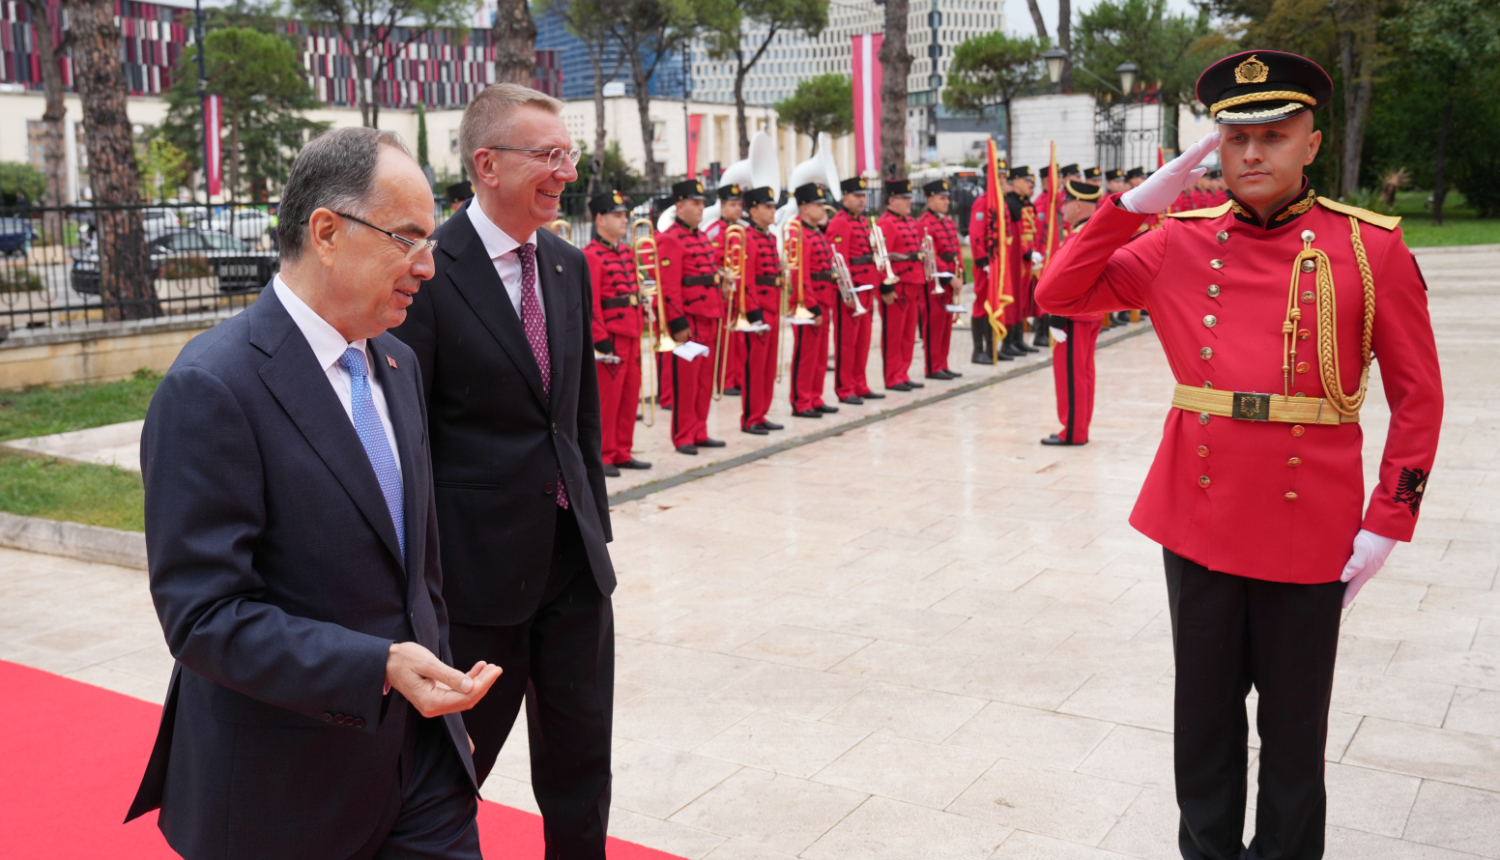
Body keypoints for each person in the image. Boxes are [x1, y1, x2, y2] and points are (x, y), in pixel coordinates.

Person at [1036, 50, 1442, 860]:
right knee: (1205, 723)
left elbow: (1418, 398)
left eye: (1274, 135)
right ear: (1212, 150)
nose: (1252, 154)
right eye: (1234, 139)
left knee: (1294, 733)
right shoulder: (1178, 242)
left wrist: (1390, 518)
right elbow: (1060, 294)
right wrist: (1135, 205)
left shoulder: (1369, 250)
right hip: (1200, 514)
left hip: (1312, 520)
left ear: (1311, 145)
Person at [126, 127, 503, 860]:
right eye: (408, 239)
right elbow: (204, 616)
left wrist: (433, 667)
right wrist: (374, 667)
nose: (428, 266)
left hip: (424, 770)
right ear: (326, 232)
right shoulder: (213, 387)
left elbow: (414, 568)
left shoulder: (396, 364)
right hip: (285, 791)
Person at [389, 83, 618, 860]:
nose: (567, 172)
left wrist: (596, 531)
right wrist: (418, 580)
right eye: (548, 156)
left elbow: (576, 415)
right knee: (453, 773)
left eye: (570, 155)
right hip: (475, 578)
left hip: (572, 567)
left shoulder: (565, 264)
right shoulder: (427, 268)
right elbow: (406, 435)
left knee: (582, 767)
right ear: (487, 164)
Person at [655, 179, 728, 455]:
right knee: (686, 383)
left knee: (704, 381)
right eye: (695, 203)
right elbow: (668, 288)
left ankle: (700, 430)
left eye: (702, 203)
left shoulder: (701, 237)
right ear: (680, 205)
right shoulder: (669, 239)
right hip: (689, 323)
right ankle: (683, 435)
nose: (701, 208)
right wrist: (678, 324)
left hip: (710, 317)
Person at [584, 190, 651, 476]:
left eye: (625, 215)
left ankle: (623, 450)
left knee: (629, 396)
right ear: (600, 219)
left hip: (633, 335)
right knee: (607, 402)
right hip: (611, 340)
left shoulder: (626, 252)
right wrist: (601, 340)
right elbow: (592, 305)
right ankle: (604, 455)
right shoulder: (590, 255)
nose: (625, 220)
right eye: (617, 215)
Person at [1041, 179, 1106, 447]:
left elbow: (1069, 280)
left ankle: (1073, 431)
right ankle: (1080, 427)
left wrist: (1056, 315)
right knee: (1084, 373)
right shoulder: (1092, 232)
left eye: (1066, 203)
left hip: (1073, 317)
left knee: (1072, 375)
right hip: (1090, 314)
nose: (1062, 208)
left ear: (1078, 205)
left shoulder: (1079, 237)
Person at [826, 176, 885, 404]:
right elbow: (838, 261)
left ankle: (860, 383)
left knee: (863, 341)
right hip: (851, 293)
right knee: (847, 342)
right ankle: (845, 388)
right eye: (857, 196)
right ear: (845, 197)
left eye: (863, 196)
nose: (862, 200)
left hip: (867, 288)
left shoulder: (861, 222)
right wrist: (847, 293)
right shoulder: (840, 222)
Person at [787, 181, 838, 418]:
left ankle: (815, 396)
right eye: (818, 205)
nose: (823, 209)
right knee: (806, 355)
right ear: (805, 208)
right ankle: (801, 401)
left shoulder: (815, 232)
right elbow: (800, 276)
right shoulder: (798, 233)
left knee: (819, 355)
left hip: (823, 298)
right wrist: (812, 306)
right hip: (810, 303)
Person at [739, 181, 784, 435]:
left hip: (773, 308)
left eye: (773, 206)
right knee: (755, 368)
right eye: (767, 207)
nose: (772, 211)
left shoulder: (769, 238)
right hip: (759, 312)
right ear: (753, 211)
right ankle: (750, 418)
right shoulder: (747, 239)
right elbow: (747, 282)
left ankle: (762, 413)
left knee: (768, 367)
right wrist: (755, 316)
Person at [876, 178, 925, 391]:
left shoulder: (908, 221)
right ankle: (892, 376)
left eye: (909, 198)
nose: (908, 202)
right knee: (893, 334)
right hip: (897, 286)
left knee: (908, 334)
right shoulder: (885, 224)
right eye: (903, 198)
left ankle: (902, 372)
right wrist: (885, 287)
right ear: (891, 200)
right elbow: (880, 258)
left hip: (912, 284)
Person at [917, 179, 961, 380]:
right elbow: (930, 256)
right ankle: (932, 367)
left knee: (946, 324)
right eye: (942, 199)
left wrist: (960, 276)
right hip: (937, 279)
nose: (946, 202)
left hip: (951, 278)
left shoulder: (949, 222)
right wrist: (949, 276)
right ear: (931, 200)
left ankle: (943, 363)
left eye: (947, 199)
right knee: (933, 325)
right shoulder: (924, 224)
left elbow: (956, 251)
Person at [707, 180, 747, 395]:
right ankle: (726, 380)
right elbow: (712, 263)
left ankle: (738, 377)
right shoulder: (714, 231)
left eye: (739, 205)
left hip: (741, 290)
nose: (737, 209)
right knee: (727, 339)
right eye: (732, 205)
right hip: (724, 291)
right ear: (722, 207)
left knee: (739, 338)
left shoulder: (742, 230)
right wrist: (725, 280)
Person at [999, 167, 1040, 359]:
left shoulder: (1024, 203)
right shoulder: (1009, 204)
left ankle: (1018, 339)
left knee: (1022, 298)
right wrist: (1026, 252)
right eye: (1025, 181)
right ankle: (1008, 342)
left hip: (1025, 259)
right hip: (1016, 258)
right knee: (1012, 298)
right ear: (1015, 182)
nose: (1030, 185)